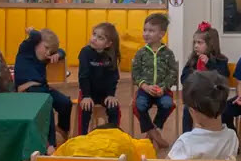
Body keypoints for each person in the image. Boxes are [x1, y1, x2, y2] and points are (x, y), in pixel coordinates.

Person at [16, 28, 69, 150]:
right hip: (28, 90)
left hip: (43, 89)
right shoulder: (26, 50)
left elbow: (62, 52)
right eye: (46, 48)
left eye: (50, 51)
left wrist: (57, 54)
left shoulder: (45, 57)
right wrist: (32, 31)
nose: (47, 53)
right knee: (47, 104)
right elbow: (35, 36)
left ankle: (62, 130)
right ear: (36, 43)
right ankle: (50, 144)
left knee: (65, 103)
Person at [131, 13, 178, 149]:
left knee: (167, 104)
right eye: (145, 30)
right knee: (139, 106)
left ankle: (153, 131)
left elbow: (172, 73)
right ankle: (154, 134)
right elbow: (135, 73)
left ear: (161, 34)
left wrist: (163, 88)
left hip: (162, 91)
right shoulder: (141, 53)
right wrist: (144, 86)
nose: (146, 34)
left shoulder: (168, 53)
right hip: (144, 90)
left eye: (151, 31)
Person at [179, 21, 229, 133]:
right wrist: (193, 77)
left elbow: (223, 78)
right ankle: (186, 136)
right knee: (187, 110)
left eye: (200, 43)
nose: (196, 46)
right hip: (195, 98)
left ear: (211, 45)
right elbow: (183, 78)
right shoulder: (193, 60)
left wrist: (210, 65)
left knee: (224, 111)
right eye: (195, 42)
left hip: (213, 98)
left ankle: (226, 136)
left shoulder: (220, 61)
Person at [77, 23, 121, 134]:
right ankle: (82, 137)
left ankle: (114, 134)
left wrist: (111, 95)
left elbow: (113, 77)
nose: (94, 39)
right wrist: (86, 96)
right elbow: (83, 76)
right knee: (85, 108)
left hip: (105, 94)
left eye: (100, 38)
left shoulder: (111, 55)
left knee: (114, 108)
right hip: (88, 92)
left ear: (108, 44)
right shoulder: (85, 52)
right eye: (94, 34)